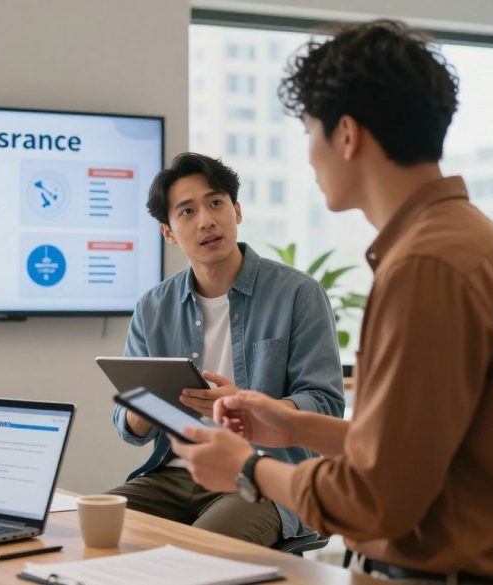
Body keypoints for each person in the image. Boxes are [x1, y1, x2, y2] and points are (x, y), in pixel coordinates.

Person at [170, 20, 493, 582]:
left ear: (348, 135)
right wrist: (293, 427)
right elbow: (421, 447)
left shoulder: (425, 268)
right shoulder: (475, 240)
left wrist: (248, 469)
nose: (309, 157)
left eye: (310, 132)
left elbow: (377, 495)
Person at [108, 152, 344, 546]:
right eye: (186, 212)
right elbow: (129, 428)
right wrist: (142, 407)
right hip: (175, 473)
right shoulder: (153, 307)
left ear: (237, 210)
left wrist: (250, 404)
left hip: (261, 475)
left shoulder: (298, 294)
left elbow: (325, 403)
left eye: (216, 203)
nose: (206, 220)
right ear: (168, 232)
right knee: (94, 527)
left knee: (197, 553)